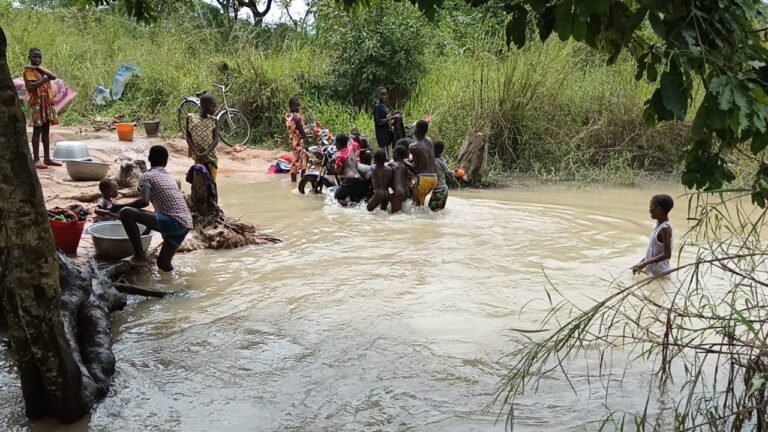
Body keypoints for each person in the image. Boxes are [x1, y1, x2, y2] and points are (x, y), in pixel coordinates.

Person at [110, 145, 193, 272]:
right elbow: (159, 208)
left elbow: (144, 201)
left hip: (173, 221)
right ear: (165, 162)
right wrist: (145, 233)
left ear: (149, 158)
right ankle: (182, 286)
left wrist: (118, 206)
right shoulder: (168, 177)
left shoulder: (146, 176)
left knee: (126, 212)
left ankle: (139, 256)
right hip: (186, 223)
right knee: (163, 265)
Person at [23, 48, 60, 170]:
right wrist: (43, 79)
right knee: (37, 131)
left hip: (47, 103)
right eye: (35, 57)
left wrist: (40, 69)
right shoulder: (28, 71)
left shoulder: (41, 69)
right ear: (29, 57)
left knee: (46, 131)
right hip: (37, 103)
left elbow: (53, 77)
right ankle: (36, 159)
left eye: (39, 57)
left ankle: (47, 157)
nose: (37, 59)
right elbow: (31, 86)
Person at [632, 194, 674, 276]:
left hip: (661, 274)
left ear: (658, 209)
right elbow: (654, 251)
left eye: (651, 206)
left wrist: (645, 263)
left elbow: (667, 254)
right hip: (655, 274)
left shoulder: (665, 228)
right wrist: (641, 263)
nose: (649, 210)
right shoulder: (659, 225)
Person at [186, 94, 220, 185]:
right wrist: (196, 153)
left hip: (210, 156)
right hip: (197, 155)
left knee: (212, 181)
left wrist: (206, 153)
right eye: (212, 106)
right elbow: (188, 137)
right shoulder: (190, 118)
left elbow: (216, 139)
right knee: (199, 180)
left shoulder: (214, 120)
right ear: (203, 106)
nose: (215, 109)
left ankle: (213, 198)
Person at [408, 120, 437, 207]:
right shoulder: (429, 140)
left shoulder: (413, 147)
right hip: (434, 178)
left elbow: (415, 169)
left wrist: (405, 162)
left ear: (416, 130)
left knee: (417, 208)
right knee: (421, 205)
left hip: (424, 179)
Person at [333, 135, 368, 206]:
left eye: (336, 143)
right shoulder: (351, 150)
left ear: (339, 144)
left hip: (349, 179)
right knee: (356, 202)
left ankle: (348, 208)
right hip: (359, 178)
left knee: (337, 198)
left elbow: (339, 172)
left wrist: (334, 167)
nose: (335, 145)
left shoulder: (339, 154)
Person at [285, 96, 310, 182]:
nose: (298, 108)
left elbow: (295, 127)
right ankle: (296, 182)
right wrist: (306, 136)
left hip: (293, 140)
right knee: (296, 161)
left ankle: (301, 180)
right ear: (291, 106)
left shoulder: (288, 115)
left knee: (303, 158)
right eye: (296, 106)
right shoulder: (296, 117)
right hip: (297, 141)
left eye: (298, 106)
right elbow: (299, 127)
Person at [373, 87, 398, 160]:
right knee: (385, 158)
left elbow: (388, 120)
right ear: (378, 95)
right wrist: (392, 117)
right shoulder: (377, 107)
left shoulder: (384, 106)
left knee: (390, 157)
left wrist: (394, 119)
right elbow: (379, 122)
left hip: (388, 134)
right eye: (382, 94)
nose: (384, 96)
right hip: (382, 136)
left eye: (385, 94)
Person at [429, 140, 453, 212]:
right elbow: (448, 172)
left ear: (434, 149)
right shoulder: (442, 161)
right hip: (443, 189)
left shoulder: (435, 161)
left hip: (439, 191)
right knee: (438, 211)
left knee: (432, 211)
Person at [389, 145, 410, 213]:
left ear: (396, 154)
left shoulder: (392, 164)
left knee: (395, 216)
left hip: (398, 192)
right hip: (406, 193)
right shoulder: (405, 168)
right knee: (401, 213)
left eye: (393, 154)